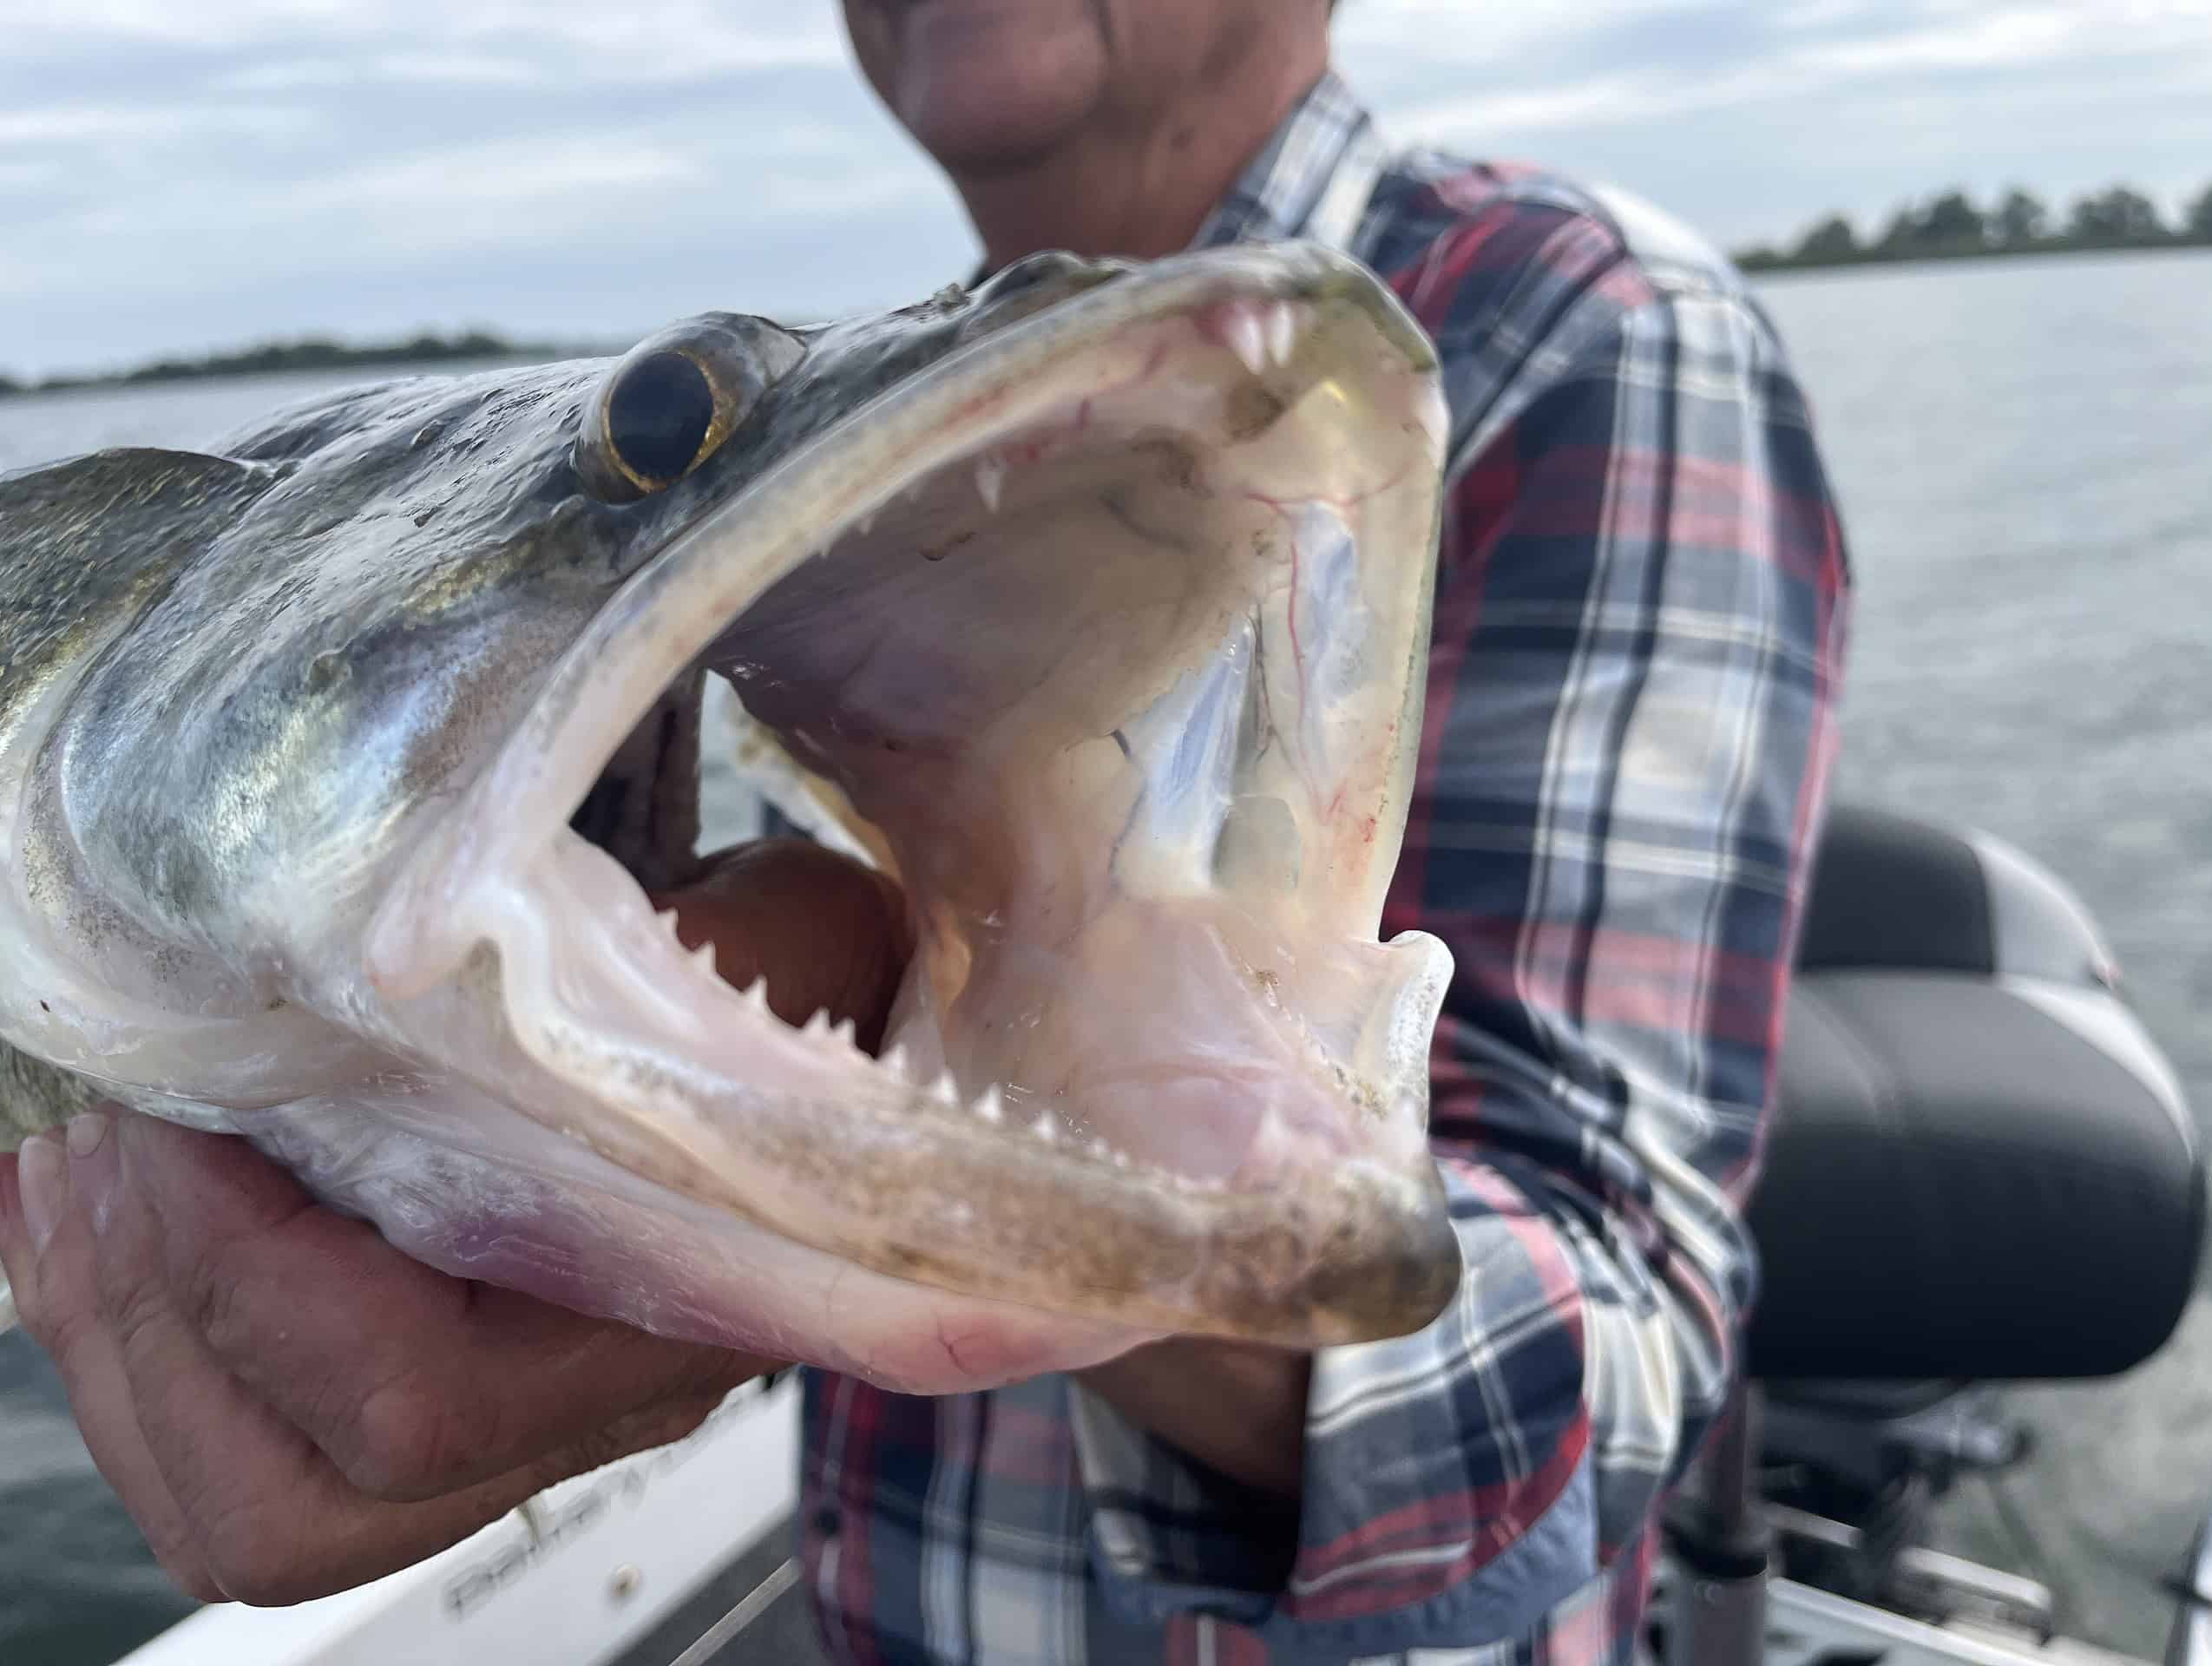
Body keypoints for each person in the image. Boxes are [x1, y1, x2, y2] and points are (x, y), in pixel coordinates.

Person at [0, 0, 1850, 1659]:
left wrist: (1041, 1189)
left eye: (674, 425)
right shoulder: (873, 456)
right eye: (676, 424)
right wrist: (522, 1166)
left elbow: (1613, 1371)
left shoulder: (1597, 325)